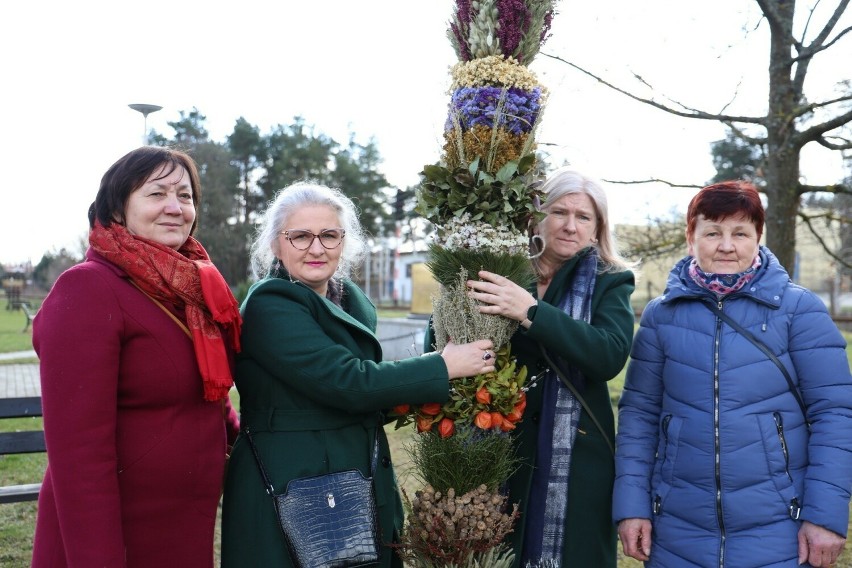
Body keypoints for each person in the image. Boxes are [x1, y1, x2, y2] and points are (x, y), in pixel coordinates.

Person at [219, 181, 495, 567]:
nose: (317, 248)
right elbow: (349, 381)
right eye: (300, 236)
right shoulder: (270, 304)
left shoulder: (347, 299)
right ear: (276, 245)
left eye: (329, 235)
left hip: (350, 477)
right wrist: (443, 366)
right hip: (291, 485)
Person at [613, 180, 852, 568]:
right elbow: (639, 416)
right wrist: (632, 507)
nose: (726, 245)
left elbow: (836, 415)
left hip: (780, 529)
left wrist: (824, 516)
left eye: (740, 232)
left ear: (758, 236)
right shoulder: (661, 315)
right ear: (691, 237)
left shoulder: (799, 310)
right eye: (713, 232)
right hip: (677, 531)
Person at [31, 146, 243, 567]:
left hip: (181, 528)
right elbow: (79, 459)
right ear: (117, 207)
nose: (174, 207)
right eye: (156, 193)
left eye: (185, 196)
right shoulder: (88, 289)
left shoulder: (190, 290)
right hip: (116, 536)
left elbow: (208, 395)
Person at [465, 167, 636, 567]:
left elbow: (608, 355)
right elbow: (443, 341)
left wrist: (530, 312)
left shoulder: (611, 281)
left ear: (597, 229)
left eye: (584, 217)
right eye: (560, 212)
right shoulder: (501, 269)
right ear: (537, 215)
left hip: (576, 457)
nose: (571, 226)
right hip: (499, 442)